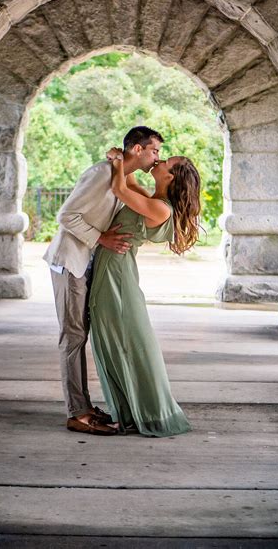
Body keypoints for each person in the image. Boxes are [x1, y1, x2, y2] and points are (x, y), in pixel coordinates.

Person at [43, 126, 164, 435]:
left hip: (85, 263)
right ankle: (77, 413)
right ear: (138, 149)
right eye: (154, 151)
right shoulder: (101, 173)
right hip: (70, 261)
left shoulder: (118, 174)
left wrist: (121, 169)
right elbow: (66, 215)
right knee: (73, 337)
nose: (156, 158)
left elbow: (147, 202)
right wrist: (101, 238)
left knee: (80, 334)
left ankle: (82, 404)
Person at [89, 149, 201, 437]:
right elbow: (131, 185)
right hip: (114, 266)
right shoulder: (155, 200)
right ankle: (126, 409)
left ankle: (147, 412)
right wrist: (129, 162)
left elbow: (119, 187)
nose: (160, 161)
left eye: (167, 162)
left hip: (117, 272)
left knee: (127, 341)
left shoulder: (161, 208)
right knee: (114, 339)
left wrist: (117, 160)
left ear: (171, 176)